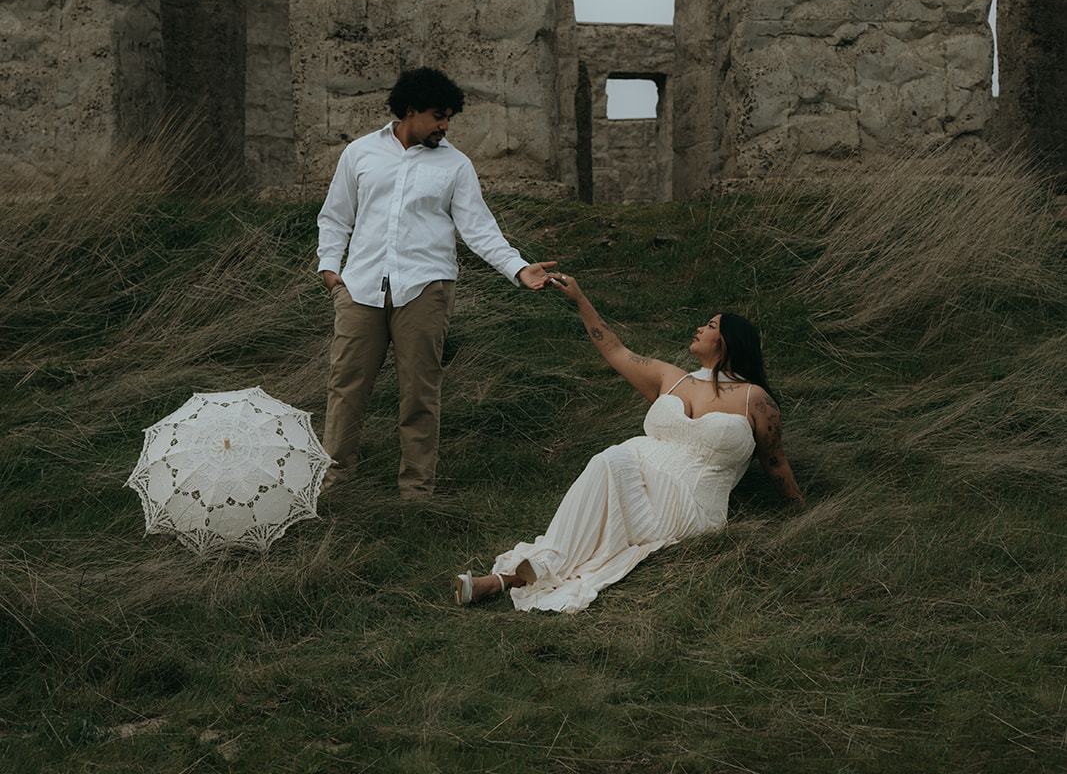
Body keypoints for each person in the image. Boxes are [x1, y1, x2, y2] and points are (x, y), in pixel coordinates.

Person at [453, 272, 803, 611]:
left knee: (611, 460)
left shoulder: (754, 399)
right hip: (638, 479)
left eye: (711, 325)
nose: (700, 327)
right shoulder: (673, 378)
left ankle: (532, 570)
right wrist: (579, 299)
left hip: (690, 505)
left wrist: (800, 516)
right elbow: (616, 351)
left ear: (730, 341)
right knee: (611, 463)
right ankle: (504, 580)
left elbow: (776, 462)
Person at [316, 67, 558, 500]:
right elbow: (336, 216)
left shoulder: (455, 164)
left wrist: (519, 268)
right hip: (360, 289)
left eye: (449, 118)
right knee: (346, 388)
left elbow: (479, 228)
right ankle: (335, 486)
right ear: (410, 111)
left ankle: (416, 492)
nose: (445, 126)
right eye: (438, 116)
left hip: (425, 291)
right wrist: (330, 270)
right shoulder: (359, 153)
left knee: (419, 395)